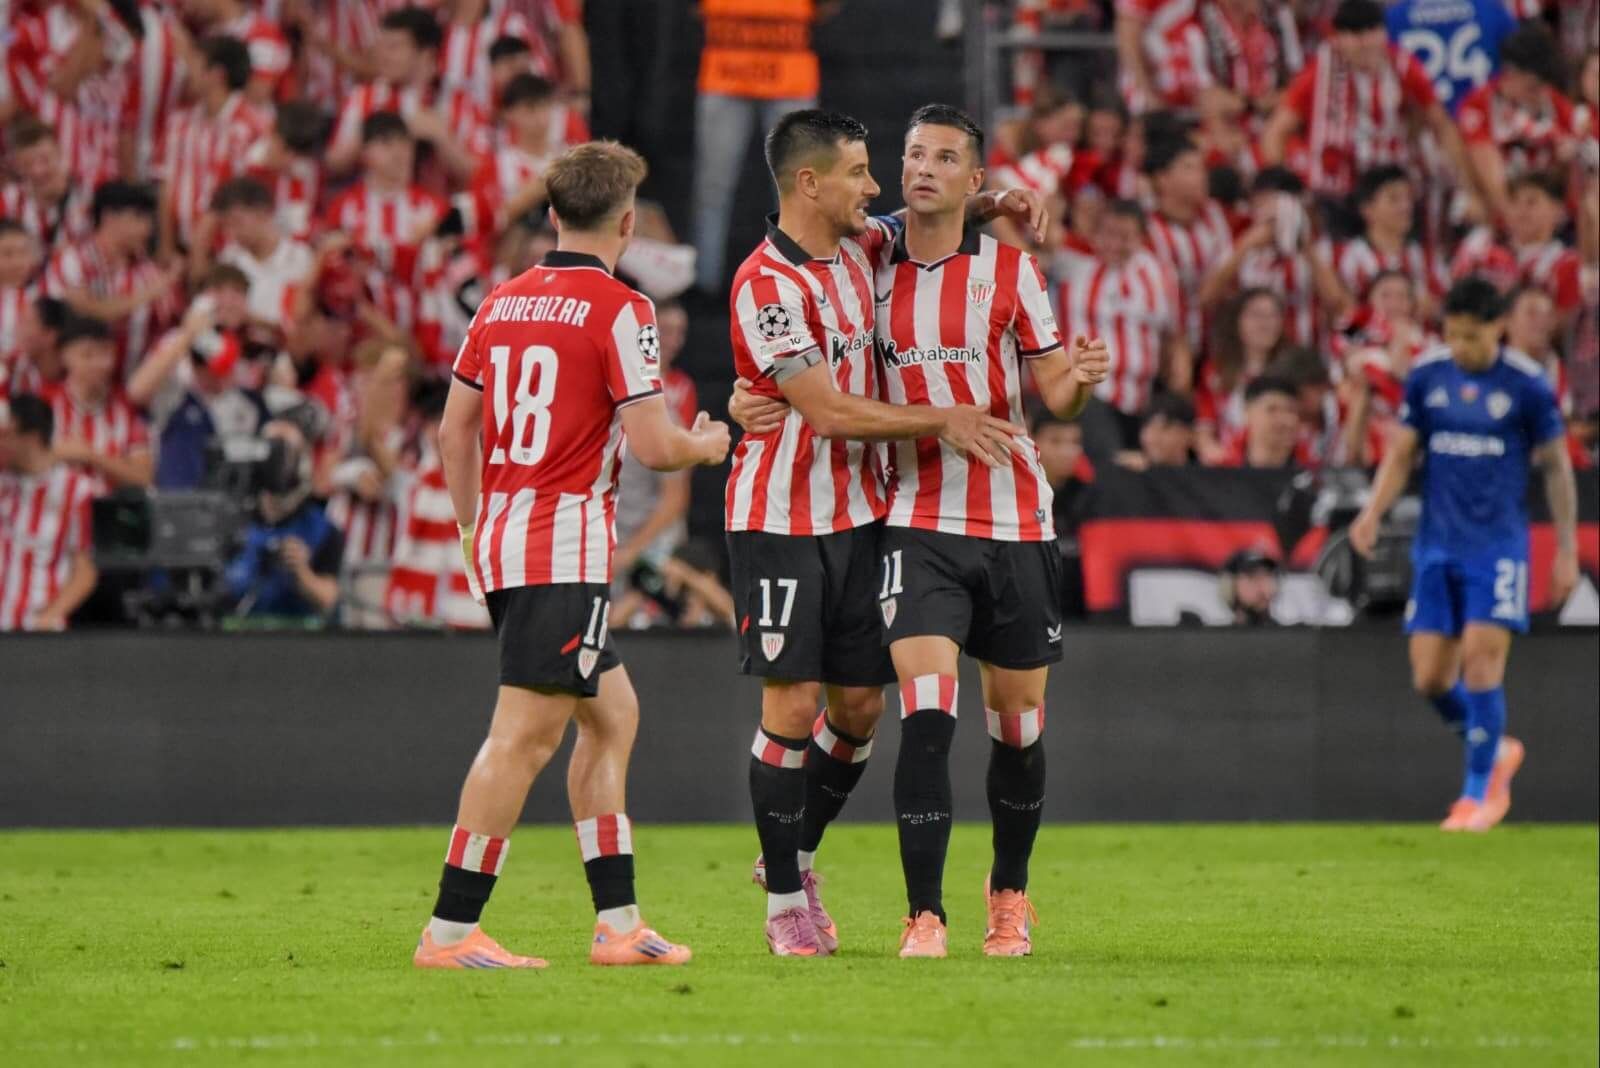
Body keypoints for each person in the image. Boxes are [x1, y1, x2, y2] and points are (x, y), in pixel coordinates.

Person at [719, 109, 1041, 959]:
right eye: (859, 172)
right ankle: (786, 900)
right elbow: (824, 412)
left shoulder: (865, 247)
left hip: (865, 515)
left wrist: (997, 198)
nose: (876, 187)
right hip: (781, 518)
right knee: (792, 705)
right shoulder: (766, 284)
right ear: (809, 183)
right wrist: (944, 417)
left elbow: (924, 214)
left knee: (859, 709)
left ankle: (793, 857)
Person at [416, 141, 729, 970]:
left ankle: (617, 924)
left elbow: (453, 431)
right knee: (523, 739)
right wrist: (706, 444)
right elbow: (654, 446)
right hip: (560, 544)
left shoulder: (502, 301)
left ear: (553, 215)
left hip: (509, 535)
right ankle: (448, 932)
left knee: (612, 715)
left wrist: (471, 527)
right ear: (627, 224)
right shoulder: (622, 309)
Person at [1348, 276, 1579, 832]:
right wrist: (1372, 511)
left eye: (1471, 336)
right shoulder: (1428, 376)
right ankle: (1496, 749)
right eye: (1452, 335)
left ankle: (1477, 796)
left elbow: (1556, 468)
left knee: (1481, 660)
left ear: (1498, 329)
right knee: (1429, 678)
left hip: (1497, 547)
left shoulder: (1527, 386)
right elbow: (1402, 454)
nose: (1460, 347)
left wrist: (1566, 550)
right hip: (1437, 545)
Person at [1260, 0, 1480, 205]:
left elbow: (1442, 125)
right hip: (1336, 194)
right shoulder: (1319, 74)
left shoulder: (1404, 68)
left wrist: (1471, 192)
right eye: (1356, 35)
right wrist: (1287, 193)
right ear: (1338, 38)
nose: (1365, 43)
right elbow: (1274, 134)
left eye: (1372, 32)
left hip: (1393, 188)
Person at [691, 0, 828, 295]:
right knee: (714, 188)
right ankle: (705, 284)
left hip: (779, 74)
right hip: (731, 71)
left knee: (794, 189)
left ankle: (795, 283)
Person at [1053, 198, 1187, 455]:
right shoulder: (1073, 264)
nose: (1114, 244)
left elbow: (1174, 336)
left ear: (1141, 238)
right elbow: (1026, 246)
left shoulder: (1159, 275)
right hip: (1089, 393)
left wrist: (1177, 387)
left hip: (1142, 399)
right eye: (1108, 234)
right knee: (1113, 464)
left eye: (1124, 237)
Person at [222, 416, 345, 621]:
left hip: (294, 634)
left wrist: (302, 574)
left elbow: (329, 599)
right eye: (270, 449)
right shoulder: (232, 522)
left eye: (285, 452)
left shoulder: (323, 529)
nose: (275, 463)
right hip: (236, 631)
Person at [0, 392, 98, 631]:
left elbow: (85, 570)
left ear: (31, 438)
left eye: (5, 435)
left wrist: (49, 617)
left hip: (38, 630)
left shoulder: (75, 490)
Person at [41, 315, 153, 493]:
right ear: (65, 356)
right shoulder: (44, 402)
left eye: (105, 353)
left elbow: (143, 476)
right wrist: (55, 453)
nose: (99, 364)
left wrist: (91, 456)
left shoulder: (126, 408)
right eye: (87, 355)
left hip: (111, 507)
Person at [1213, 374, 1306, 469]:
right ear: (1247, 412)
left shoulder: (1311, 470)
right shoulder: (1220, 469)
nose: (1285, 420)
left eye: (1291, 410)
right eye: (1272, 409)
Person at [1219, 546, 1281, 625]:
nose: (1262, 584)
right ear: (1230, 586)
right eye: (1252, 576)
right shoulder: (1217, 632)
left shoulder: (1288, 632)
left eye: (1267, 576)